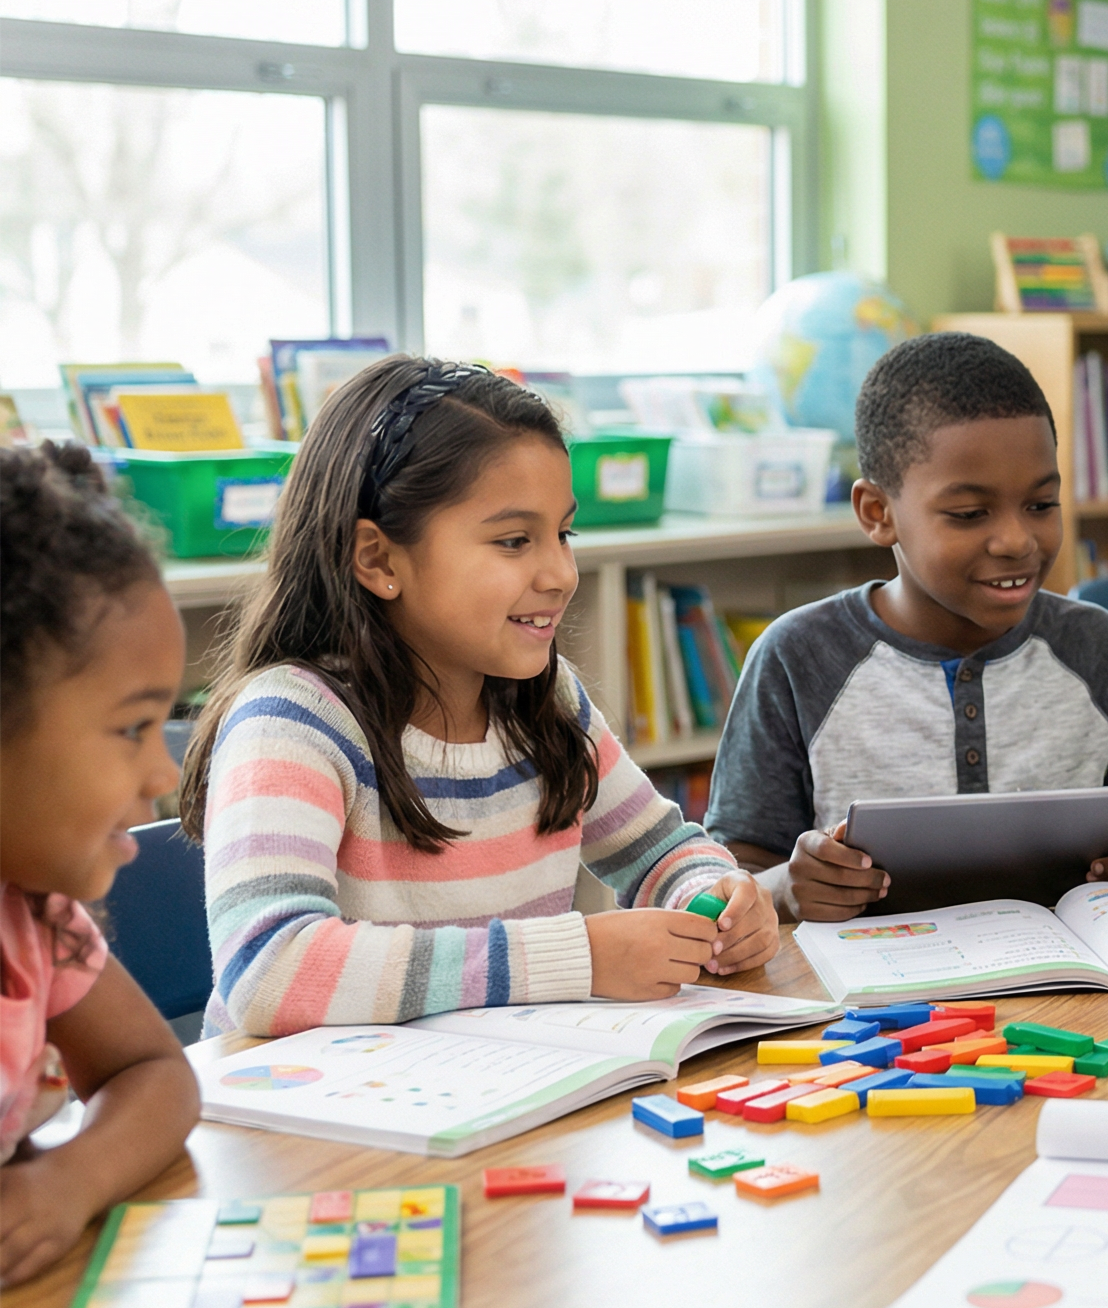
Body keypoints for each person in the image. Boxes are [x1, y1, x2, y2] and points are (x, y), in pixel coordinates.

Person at [181, 359, 772, 1035]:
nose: (559, 573)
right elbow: (269, 970)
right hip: (309, 1124)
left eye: (563, 534)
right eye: (514, 541)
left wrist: (714, 898)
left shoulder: (546, 702)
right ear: (376, 559)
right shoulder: (291, 722)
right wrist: (576, 957)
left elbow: (663, 851)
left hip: (488, 1099)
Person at [706, 332, 1108, 919]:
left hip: (1071, 993)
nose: (1017, 540)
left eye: (1041, 505)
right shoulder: (797, 656)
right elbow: (735, 877)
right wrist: (786, 887)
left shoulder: (1097, 647)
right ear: (878, 514)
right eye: (969, 514)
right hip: (875, 999)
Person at [0, 444, 202, 1284]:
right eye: (132, 729)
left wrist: (68, 1182)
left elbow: (155, 1075)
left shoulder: (36, 917)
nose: (165, 774)